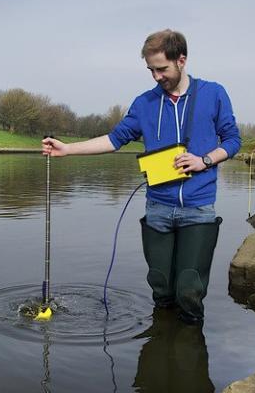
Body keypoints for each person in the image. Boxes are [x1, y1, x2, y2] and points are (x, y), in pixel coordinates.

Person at [42, 29, 241, 324]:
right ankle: (159, 352)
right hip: (158, 208)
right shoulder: (145, 103)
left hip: (199, 208)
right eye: (151, 70)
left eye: (162, 68)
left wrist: (205, 160)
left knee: (189, 291)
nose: (156, 76)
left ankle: (189, 357)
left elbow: (233, 140)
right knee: (161, 288)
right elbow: (114, 139)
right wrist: (67, 149)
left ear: (182, 60)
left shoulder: (213, 94)